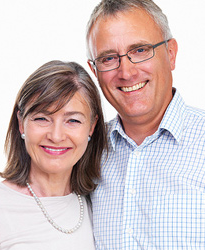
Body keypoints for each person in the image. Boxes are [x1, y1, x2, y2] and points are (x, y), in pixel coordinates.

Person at [86, 0, 205, 249]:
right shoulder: (85, 150)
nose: (127, 72)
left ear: (170, 53)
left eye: (140, 50)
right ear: (94, 70)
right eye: (109, 58)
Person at [0, 60, 107, 250]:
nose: (56, 136)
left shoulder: (100, 206)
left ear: (91, 126)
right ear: (21, 123)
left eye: (73, 120)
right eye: (42, 118)